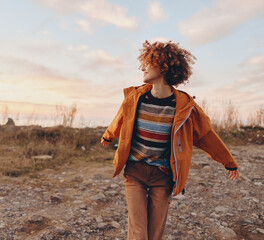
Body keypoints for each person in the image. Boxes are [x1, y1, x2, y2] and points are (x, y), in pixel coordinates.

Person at [100, 40, 239, 240]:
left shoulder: (185, 106)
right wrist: (108, 135)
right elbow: (120, 119)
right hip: (135, 172)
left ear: (163, 66)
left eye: (148, 62)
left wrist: (228, 162)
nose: (143, 67)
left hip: (163, 177)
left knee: (155, 234)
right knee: (138, 234)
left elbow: (206, 135)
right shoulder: (135, 98)